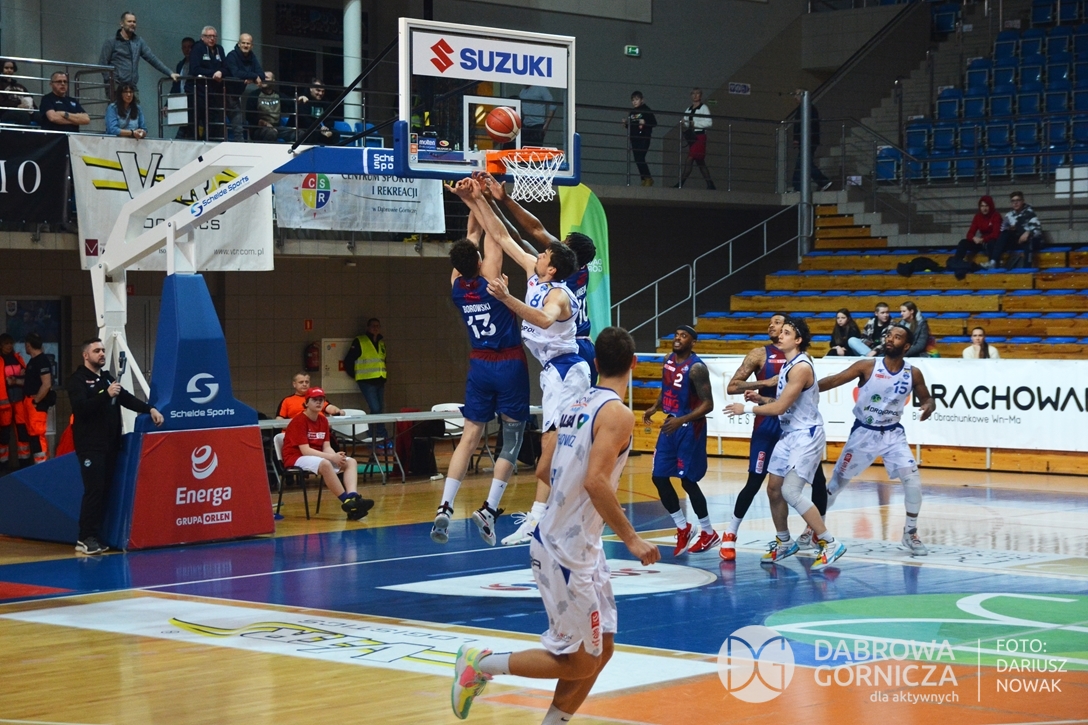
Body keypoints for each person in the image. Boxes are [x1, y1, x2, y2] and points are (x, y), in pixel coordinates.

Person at [449, 326, 660, 724]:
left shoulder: (575, 403)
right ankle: (480, 663)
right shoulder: (618, 414)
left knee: (603, 649)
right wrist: (632, 539)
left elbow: (543, 469)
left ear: (595, 362)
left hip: (581, 545)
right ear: (634, 363)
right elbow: (595, 481)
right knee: (580, 661)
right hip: (565, 549)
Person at [462, 178, 587, 547]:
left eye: (545, 255)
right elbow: (503, 237)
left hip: (568, 371)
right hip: (553, 371)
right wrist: (477, 200)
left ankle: (539, 519)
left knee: (551, 448)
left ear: (552, 269)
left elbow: (545, 320)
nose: (539, 254)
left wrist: (506, 298)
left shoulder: (559, 296)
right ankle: (552, 514)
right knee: (553, 449)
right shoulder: (537, 270)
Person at [430, 188, 531, 546]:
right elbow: (494, 234)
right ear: (477, 261)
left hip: (480, 363)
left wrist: (468, 198)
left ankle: (445, 506)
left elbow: (472, 236)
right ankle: (488, 509)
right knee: (512, 438)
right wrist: (481, 196)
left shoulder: (456, 285)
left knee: (469, 436)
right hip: (509, 361)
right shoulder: (491, 277)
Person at [724, 317, 845, 571]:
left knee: (791, 491)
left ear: (798, 340)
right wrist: (761, 398)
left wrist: (746, 408)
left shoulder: (801, 367)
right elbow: (782, 402)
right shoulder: (789, 365)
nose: (780, 335)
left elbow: (780, 407)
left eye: (787, 332)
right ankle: (784, 541)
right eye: (782, 332)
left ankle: (830, 542)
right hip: (789, 434)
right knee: (773, 489)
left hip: (806, 435)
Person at [817, 324, 936, 556]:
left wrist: (929, 406)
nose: (890, 339)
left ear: (907, 346)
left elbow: (927, 398)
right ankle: (814, 529)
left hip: (893, 434)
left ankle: (910, 532)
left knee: (913, 482)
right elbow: (834, 380)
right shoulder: (867, 366)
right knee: (835, 486)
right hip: (864, 432)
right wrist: (802, 389)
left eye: (897, 337)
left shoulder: (913, 373)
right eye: (889, 335)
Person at [476, 171, 597, 383]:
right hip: (579, 345)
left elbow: (529, 232)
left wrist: (497, 201)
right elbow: (518, 235)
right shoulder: (577, 267)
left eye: (563, 243)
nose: (557, 243)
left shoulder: (560, 277)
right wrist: (495, 201)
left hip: (572, 349)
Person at [67, 338, 164, 555]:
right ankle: (85, 537)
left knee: (106, 491)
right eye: (97, 351)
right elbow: (81, 408)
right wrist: (105, 394)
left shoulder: (107, 378)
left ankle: (98, 534)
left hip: (110, 444)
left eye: (103, 350)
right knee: (94, 490)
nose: (102, 353)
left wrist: (149, 409)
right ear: (86, 355)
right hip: (91, 446)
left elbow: (126, 398)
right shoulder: (77, 380)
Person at [642, 325, 719, 555]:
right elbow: (667, 388)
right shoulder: (668, 359)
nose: (677, 338)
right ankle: (683, 527)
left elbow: (708, 404)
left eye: (683, 336)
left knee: (687, 481)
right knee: (658, 477)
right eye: (676, 334)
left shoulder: (696, 368)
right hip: (671, 423)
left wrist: (681, 420)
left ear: (692, 342)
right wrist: (655, 407)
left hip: (690, 427)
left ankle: (708, 532)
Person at [280, 387, 374, 521]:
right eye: (315, 400)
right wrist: (331, 458)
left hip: (315, 455)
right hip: (296, 457)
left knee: (350, 462)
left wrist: (337, 457)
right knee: (325, 464)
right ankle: (347, 502)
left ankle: (353, 497)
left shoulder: (323, 420)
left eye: (321, 400)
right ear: (306, 403)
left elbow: (327, 447)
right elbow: (305, 451)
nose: (319, 402)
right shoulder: (299, 421)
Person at [98, 11, 179, 88]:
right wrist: (111, 82)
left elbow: (152, 59)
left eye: (134, 22)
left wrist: (170, 73)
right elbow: (102, 64)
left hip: (132, 87)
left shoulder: (138, 42)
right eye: (129, 21)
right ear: (122, 23)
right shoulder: (111, 42)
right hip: (116, 87)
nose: (132, 24)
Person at [344, 318, 387, 442]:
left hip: (380, 379)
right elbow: (349, 360)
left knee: (379, 409)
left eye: (377, 326)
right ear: (368, 327)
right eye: (373, 326)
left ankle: (377, 436)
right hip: (366, 381)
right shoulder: (360, 341)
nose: (375, 328)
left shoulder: (381, 342)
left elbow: (383, 360)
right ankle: (378, 435)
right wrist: (356, 375)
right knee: (375, 408)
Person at [187, 26, 228, 140]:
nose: (212, 39)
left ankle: (210, 142)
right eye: (209, 36)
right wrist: (213, 73)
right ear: (202, 37)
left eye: (214, 36)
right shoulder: (197, 48)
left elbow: (226, 67)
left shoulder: (219, 49)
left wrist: (220, 72)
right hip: (197, 92)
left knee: (213, 122)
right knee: (195, 121)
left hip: (213, 92)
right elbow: (195, 69)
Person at [20, 334, 53, 465]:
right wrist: (15, 381)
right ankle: (39, 463)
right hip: (30, 401)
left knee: (37, 435)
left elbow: (46, 384)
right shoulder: (33, 361)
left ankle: (42, 464)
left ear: (28, 345)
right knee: (33, 435)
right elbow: (31, 382)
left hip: (36, 404)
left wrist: (36, 401)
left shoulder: (41, 361)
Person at [987, 191, 1043, 269]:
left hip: (1029, 240)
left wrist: (1028, 233)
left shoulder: (1030, 213)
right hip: (1017, 240)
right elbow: (1003, 230)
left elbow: (1038, 230)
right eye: (1013, 201)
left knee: (1028, 239)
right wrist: (1011, 229)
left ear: (1022, 201)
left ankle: (1027, 268)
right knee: (1002, 235)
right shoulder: (1009, 215)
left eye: (1018, 200)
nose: (1015, 203)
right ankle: (993, 261)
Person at [224, 33, 264, 140]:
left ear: (252, 46)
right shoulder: (232, 56)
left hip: (235, 96)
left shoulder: (252, 57)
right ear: (239, 44)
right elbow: (236, 73)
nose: (246, 45)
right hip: (223, 94)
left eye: (248, 43)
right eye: (243, 43)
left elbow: (262, 74)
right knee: (221, 127)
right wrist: (253, 76)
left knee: (239, 129)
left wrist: (251, 77)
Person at [791, 89, 832, 192]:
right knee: (802, 163)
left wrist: (797, 138)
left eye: (796, 95)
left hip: (807, 140)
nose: (794, 97)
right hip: (809, 140)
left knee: (803, 163)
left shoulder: (805, 108)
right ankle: (798, 186)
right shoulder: (808, 108)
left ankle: (822, 181)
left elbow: (801, 125)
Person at [675, 88, 715, 190]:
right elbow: (687, 122)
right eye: (693, 93)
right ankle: (710, 184)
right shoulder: (688, 109)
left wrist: (695, 124)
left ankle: (681, 183)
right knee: (700, 162)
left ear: (701, 95)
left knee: (690, 158)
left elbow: (709, 123)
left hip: (700, 137)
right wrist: (684, 122)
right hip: (692, 137)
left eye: (697, 93)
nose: (695, 95)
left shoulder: (704, 108)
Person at [0, 334, 27, 467]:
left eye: (11, 343)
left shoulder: (17, 357)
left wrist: (20, 376)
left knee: (22, 430)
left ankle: (24, 460)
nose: (9, 346)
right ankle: (3, 463)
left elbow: (26, 375)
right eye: (6, 343)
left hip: (19, 399)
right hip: (5, 401)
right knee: (4, 433)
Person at [953, 195, 1001, 265]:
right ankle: (956, 263)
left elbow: (995, 234)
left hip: (992, 242)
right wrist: (974, 238)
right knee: (963, 243)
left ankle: (993, 264)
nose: (984, 208)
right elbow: (969, 234)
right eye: (982, 206)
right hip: (981, 243)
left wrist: (983, 239)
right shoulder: (977, 217)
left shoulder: (996, 216)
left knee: (992, 243)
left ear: (990, 206)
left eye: (986, 206)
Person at [276, 371, 343, 419]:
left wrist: (338, 411)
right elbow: (279, 419)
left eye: (307, 382)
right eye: (301, 382)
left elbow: (331, 408)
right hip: (295, 430)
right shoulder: (287, 400)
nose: (304, 384)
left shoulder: (317, 397)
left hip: (318, 429)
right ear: (294, 384)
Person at [251, 72, 296, 143]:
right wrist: (266, 124)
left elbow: (292, 103)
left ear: (273, 81)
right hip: (260, 129)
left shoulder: (278, 95)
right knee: (271, 133)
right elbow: (249, 116)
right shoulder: (254, 95)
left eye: (266, 77)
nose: (263, 79)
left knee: (299, 133)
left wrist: (301, 98)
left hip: (277, 128)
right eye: (262, 77)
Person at [624, 90, 657, 186]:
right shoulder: (632, 112)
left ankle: (648, 178)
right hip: (634, 138)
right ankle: (644, 179)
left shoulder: (646, 110)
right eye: (633, 100)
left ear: (642, 100)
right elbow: (631, 125)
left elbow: (654, 123)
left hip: (643, 138)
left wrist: (645, 122)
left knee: (640, 158)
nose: (634, 102)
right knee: (638, 159)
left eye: (636, 99)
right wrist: (626, 124)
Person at [0, 59, 35, 125]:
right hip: (6, 112)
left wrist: (33, 108)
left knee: (39, 115)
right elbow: (2, 102)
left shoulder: (20, 86)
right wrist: (17, 105)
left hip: (24, 110)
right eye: (6, 68)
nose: (9, 70)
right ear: (1, 68)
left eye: (11, 68)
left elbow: (29, 98)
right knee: (23, 115)